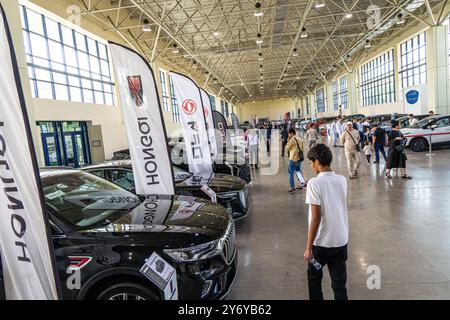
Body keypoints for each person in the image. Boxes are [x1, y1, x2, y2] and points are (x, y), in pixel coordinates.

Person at [304, 144, 349, 301]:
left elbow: (316, 218)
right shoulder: (342, 180)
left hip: (321, 245)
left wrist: (308, 248)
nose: (310, 166)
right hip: (341, 241)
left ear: (317, 162)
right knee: (339, 284)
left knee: (314, 280)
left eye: (311, 162)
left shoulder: (314, 183)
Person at [285, 128, 305, 194]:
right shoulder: (300, 139)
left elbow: (287, 148)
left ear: (291, 133)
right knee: (298, 172)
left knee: (291, 174)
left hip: (293, 159)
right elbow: (302, 149)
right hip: (299, 159)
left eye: (289, 133)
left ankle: (292, 188)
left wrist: (288, 141)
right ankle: (301, 185)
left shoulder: (292, 139)